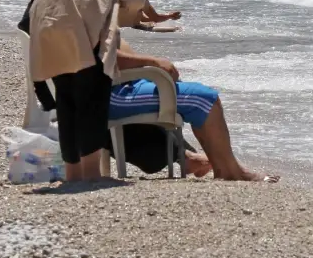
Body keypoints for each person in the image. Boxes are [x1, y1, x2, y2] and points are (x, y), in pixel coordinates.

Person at [28, 0, 148, 182]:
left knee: (67, 99)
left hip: (47, 21)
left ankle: (73, 175)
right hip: (82, 25)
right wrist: (133, 17)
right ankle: (92, 175)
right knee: (91, 98)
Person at [111, 41, 277, 182]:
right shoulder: (90, 4)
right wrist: (153, 62)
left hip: (121, 82)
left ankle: (224, 165)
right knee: (203, 100)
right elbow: (102, 55)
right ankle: (230, 172)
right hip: (109, 93)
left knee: (186, 90)